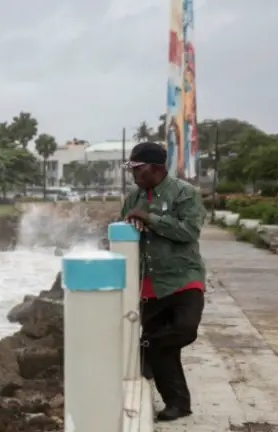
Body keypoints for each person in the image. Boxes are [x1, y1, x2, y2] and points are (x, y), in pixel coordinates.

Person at [119, 141, 206, 422]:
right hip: (149, 283)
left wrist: (150, 218)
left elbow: (189, 231)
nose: (132, 173)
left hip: (183, 278)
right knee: (164, 349)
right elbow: (123, 230)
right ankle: (178, 403)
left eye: (137, 167)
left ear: (155, 168)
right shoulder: (133, 196)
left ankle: (145, 348)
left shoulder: (186, 193)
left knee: (184, 329)